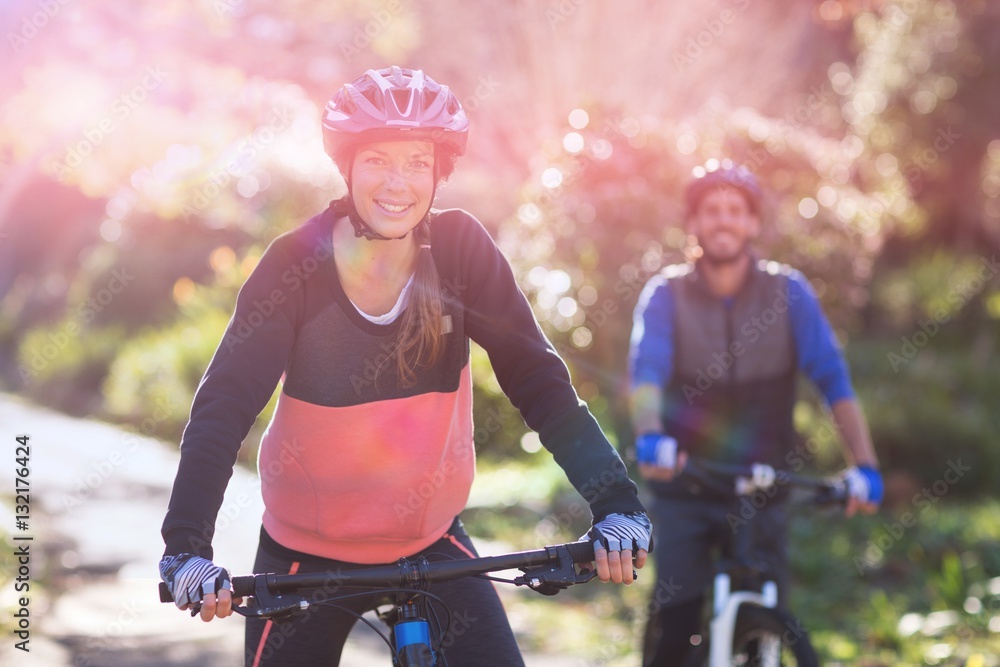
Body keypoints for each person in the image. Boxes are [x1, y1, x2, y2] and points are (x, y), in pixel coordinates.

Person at [158, 66, 651, 666]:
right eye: (378, 161)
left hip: (429, 540)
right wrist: (187, 548)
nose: (398, 183)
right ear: (348, 168)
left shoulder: (462, 251)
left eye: (417, 162)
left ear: (439, 173)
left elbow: (538, 380)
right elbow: (224, 405)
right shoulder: (295, 265)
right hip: (305, 551)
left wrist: (617, 505)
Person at [628, 161, 882, 666]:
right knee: (674, 627)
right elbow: (646, 375)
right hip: (688, 481)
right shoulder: (666, 295)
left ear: (752, 224)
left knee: (769, 620)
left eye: (735, 211)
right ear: (694, 223)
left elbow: (833, 379)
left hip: (766, 484)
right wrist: (652, 437)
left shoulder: (789, 294)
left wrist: (866, 467)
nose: (724, 220)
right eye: (711, 211)